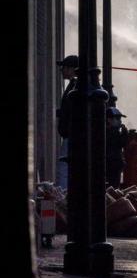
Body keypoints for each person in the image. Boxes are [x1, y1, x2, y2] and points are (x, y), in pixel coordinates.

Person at [55, 55, 78, 190]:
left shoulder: (75, 86)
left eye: (64, 68)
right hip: (71, 135)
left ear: (71, 69)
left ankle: (63, 196)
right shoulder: (74, 85)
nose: (62, 70)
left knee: (63, 168)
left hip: (71, 136)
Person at [105, 107, 129, 189]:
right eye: (117, 118)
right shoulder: (112, 132)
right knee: (113, 188)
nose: (120, 121)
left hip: (111, 164)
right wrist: (125, 134)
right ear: (109, 120)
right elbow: (121, 143)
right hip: (112, 165)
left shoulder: (109, 131)